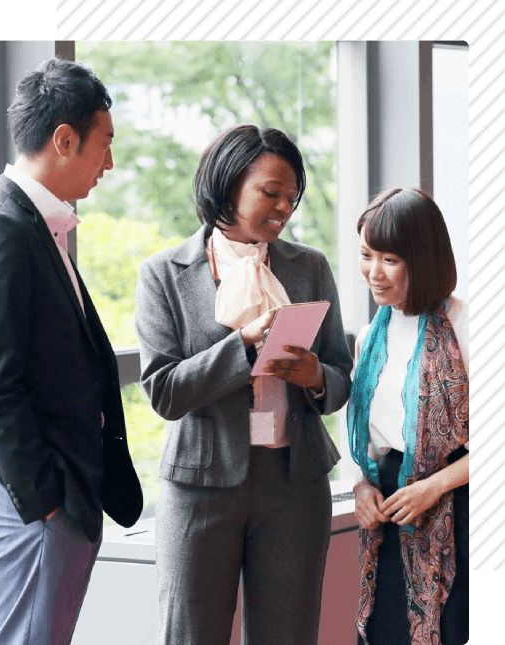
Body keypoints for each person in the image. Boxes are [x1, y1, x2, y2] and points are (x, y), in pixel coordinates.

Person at [135, 124, 353, 645]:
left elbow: (343, 377)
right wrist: (244, 347)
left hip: (294, 485)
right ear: (228, 184)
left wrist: (316, 377)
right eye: (270, 193)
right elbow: (163, 391)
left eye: (292, 197)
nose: (284, 208)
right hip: (200, 488)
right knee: (191, 635)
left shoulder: (310, 267)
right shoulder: (163, 273)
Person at [0, 58, 143, 644]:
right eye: (105, 144)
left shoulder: (41, 226)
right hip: (34, 505)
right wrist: (45, 500)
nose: (110, 163)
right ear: (64, 140)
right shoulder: (2, 229)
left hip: (61, 497)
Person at [347, 188, 468, 645]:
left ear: (422, 258)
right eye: (365, 255)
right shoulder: (369, 335)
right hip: (394, 509)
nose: (373, 273)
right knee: (387, 630)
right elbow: (369, 441)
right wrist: (361, 485)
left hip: (463, 501)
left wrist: (433, 487)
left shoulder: (467, 324)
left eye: (390, 259)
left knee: (468, 627)